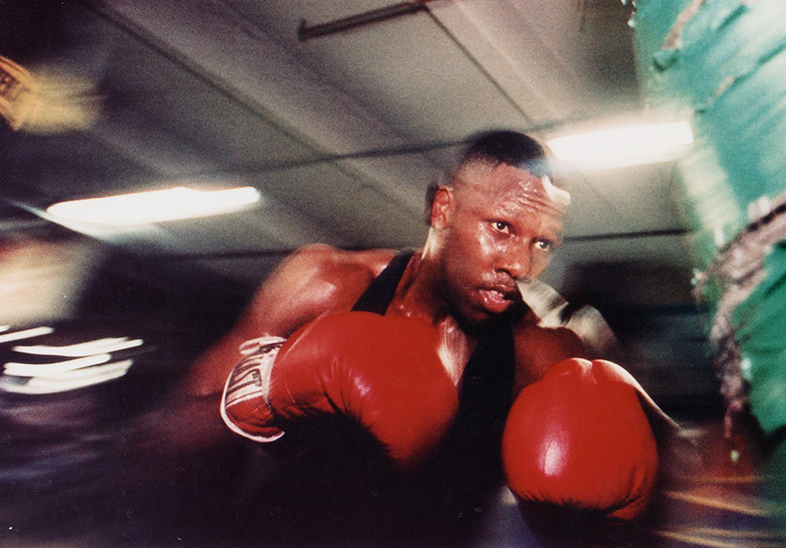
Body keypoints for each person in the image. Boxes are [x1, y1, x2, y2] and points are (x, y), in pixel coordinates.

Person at [174, 130, 667, 546]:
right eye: (501, 227)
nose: (520, 265)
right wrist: (268, 388)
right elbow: (166, 436)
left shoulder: (543, 353)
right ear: (443, 209)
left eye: (541, 243)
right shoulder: (330, 285)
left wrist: (626, 512)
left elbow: (669, 482)